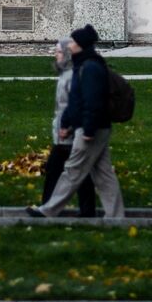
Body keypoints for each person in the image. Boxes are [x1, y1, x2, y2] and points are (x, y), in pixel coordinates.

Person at [26, 24, 125, 220]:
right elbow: (76, 101)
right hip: (95, 127)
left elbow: (90, 102)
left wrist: (87, 129)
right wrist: (66, 123)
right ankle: (116, 216)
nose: (69, 45)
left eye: (72, 41)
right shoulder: (85, 65)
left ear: (80, 44)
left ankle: (48, 210)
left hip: (90, 129)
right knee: (104, 175)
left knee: (73, 171)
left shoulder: (90, 68)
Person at [39, 37, 97, 217]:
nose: (55, 55)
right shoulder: (66, 74)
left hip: (69, 134)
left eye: (58, 52)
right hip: (65, 132)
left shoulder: (72, 76)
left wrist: (67, 127)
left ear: (66, 54)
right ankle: (86, 210)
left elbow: (74, 104)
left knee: (56, 170)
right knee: (78, 171)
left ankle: (47, 208)